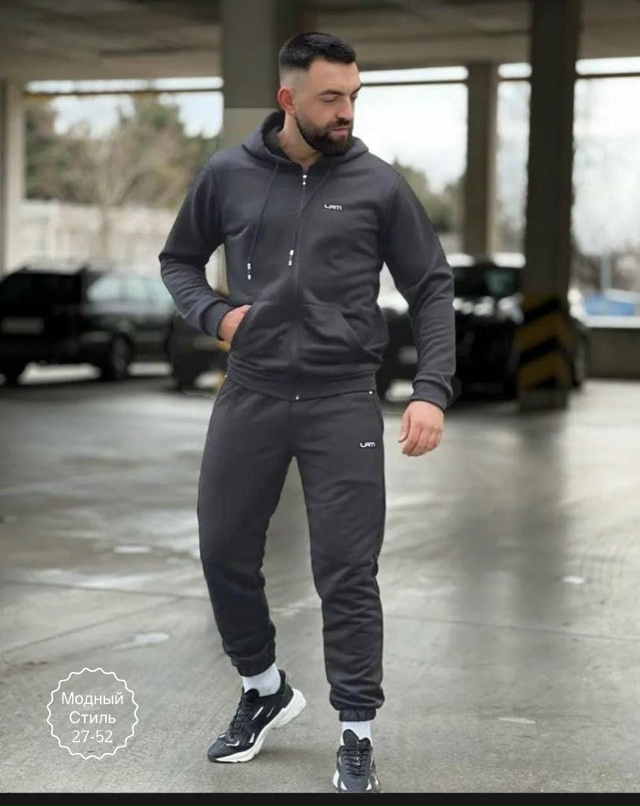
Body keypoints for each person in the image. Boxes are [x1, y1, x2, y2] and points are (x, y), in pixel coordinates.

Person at [159, 31, 456, 794]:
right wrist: (216, 316)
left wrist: (431, 389)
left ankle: (356, 733)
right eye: (331, 98)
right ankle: (263, 688)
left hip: (341, 399)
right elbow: (178, 260)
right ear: (288, 99)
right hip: (251, 390)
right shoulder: (227, 174)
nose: (346, 111)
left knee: (346, 571)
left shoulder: (379, 185)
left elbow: (430, 285)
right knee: (223, 550)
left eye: (354, 96)